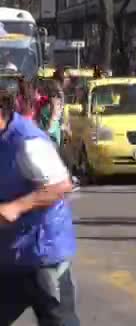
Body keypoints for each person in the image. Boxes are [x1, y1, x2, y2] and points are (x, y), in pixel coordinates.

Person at [0, 92, 80, 325]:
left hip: (43, 252)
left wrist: (17, 206)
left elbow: (61, 185)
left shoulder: (27, 141)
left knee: (58, 319)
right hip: (9, 253)